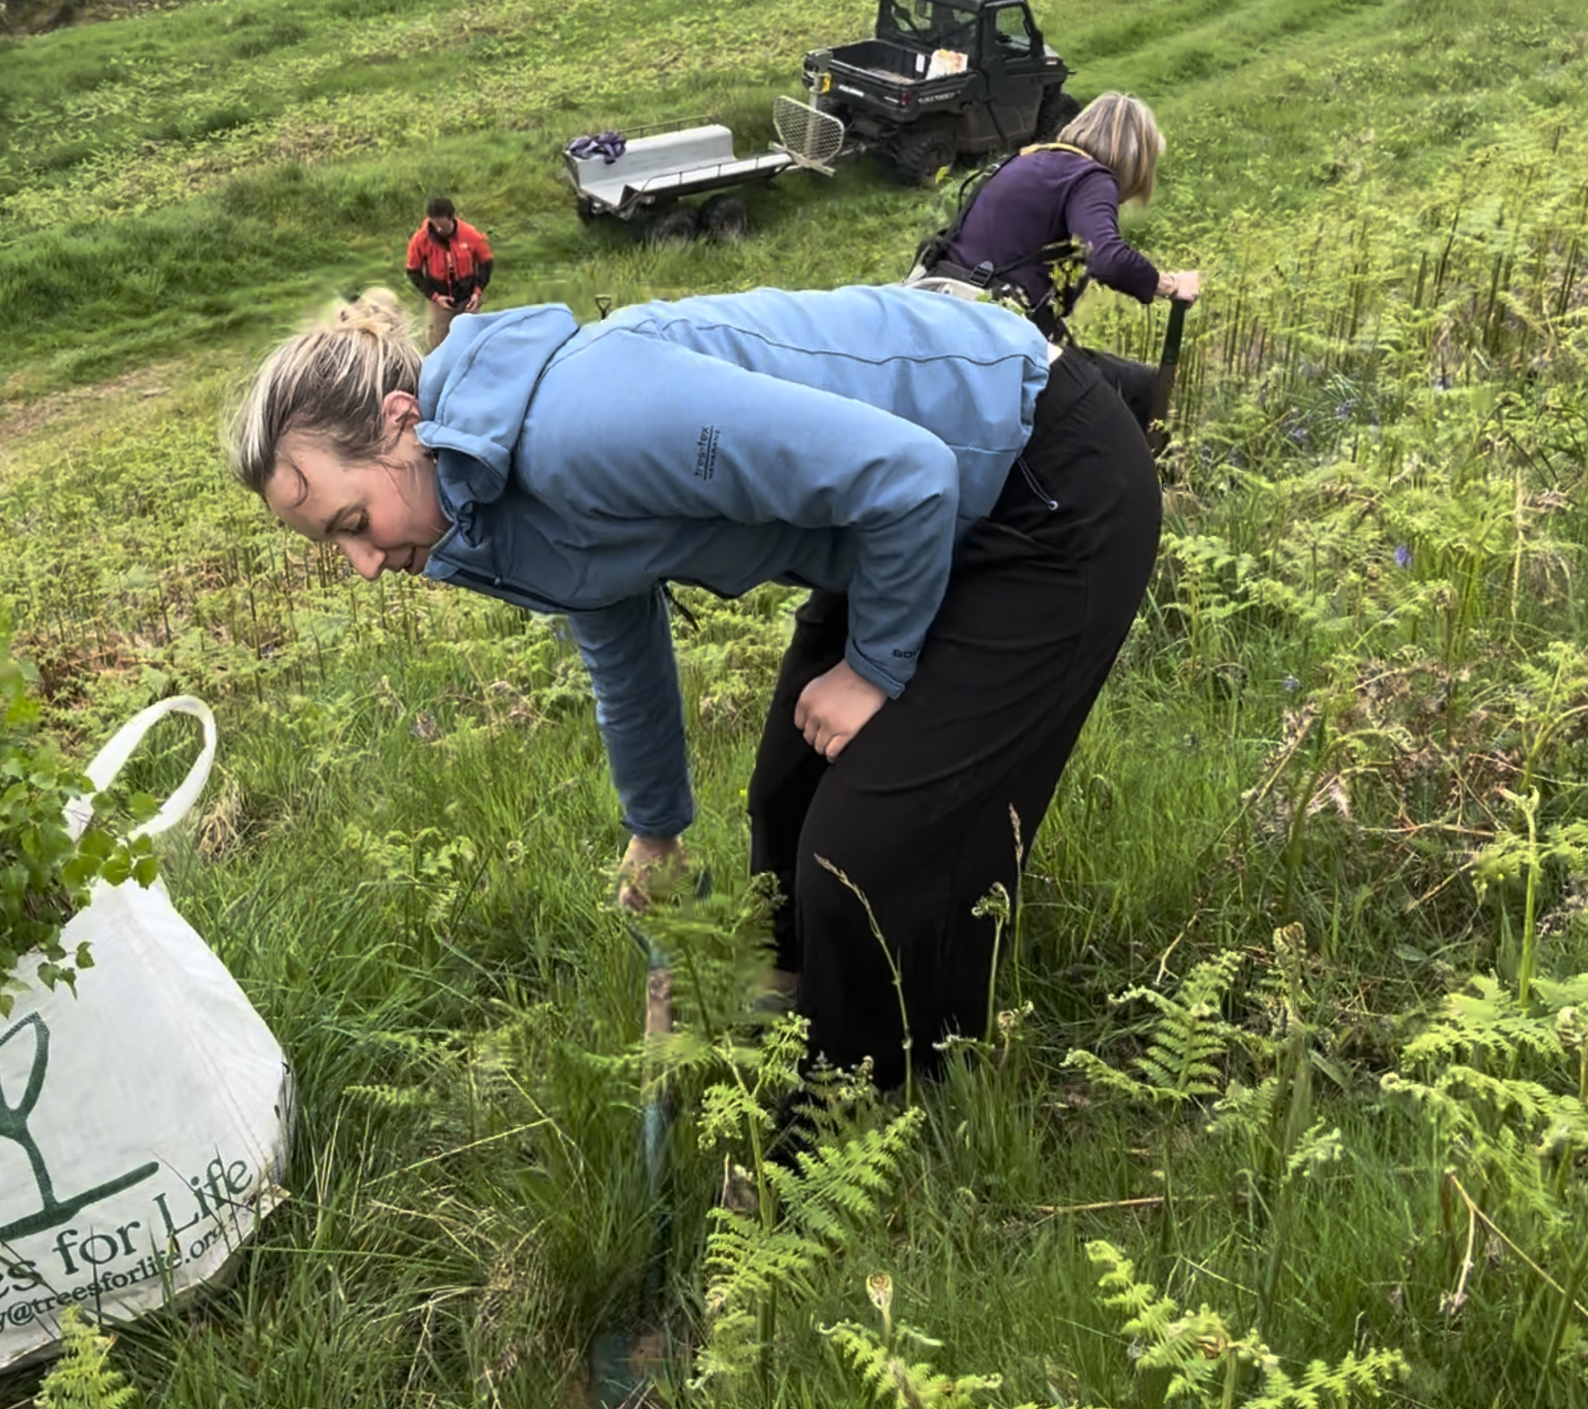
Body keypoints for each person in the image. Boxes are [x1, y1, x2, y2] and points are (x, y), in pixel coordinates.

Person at [225, 285, 1161, 1094]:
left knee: (865, 856)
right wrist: (656, 830)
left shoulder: (578, 425)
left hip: (1038, 482)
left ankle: (862, 1118)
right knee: (786, 803)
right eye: (332, 543)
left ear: (398, 420)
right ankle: (790, 1039)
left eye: (353, 520)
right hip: (905, 520)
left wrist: (874, 670)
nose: (362, 565)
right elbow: (616, 630)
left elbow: (908, 475)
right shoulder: (475, 492)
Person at [923, 92, 1201, 426]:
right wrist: (1171, 285)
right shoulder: (1090, 177)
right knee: (1142, 388)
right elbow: (1108, 258)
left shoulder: (1025, 160)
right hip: (997, 337)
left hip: (946, 310)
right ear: (1135, 158)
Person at [405, 196, 493, 350]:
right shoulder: (420, 239)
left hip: (468, 298)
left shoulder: (470, 234)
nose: (438, 230)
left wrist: (477, 292)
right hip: (440, 300)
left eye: (442, 226)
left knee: (474, 340)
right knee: (437, 344)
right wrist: (435, 297)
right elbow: (413, 272)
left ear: (452, 218)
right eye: (434, 225)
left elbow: (486, 263)